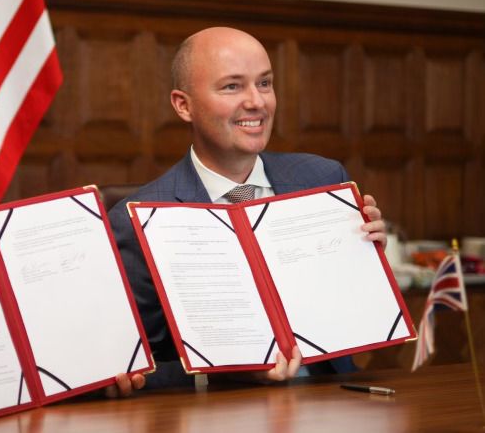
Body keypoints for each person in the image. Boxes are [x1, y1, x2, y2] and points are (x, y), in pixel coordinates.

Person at [108, 27, 388, 388]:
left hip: (332, 398)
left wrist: (368, 262)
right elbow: (136, 370)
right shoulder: (137, 217)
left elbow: (359, 316)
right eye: (232, 86)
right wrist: (230, 374)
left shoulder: (323, 179)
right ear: (183, 105)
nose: (257, 102)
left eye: (265, 83)